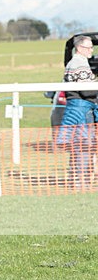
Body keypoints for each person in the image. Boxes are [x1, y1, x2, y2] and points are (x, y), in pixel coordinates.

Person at [58, 35, 98, 187]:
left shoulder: (77, 62)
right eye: (89, 47)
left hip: (79, 108)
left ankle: (77, 179)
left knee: (79, 145)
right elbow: (86, 91)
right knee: (84, 145)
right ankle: (82, 182)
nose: (91, 50)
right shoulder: (78, 63)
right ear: (80, 48)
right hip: (82, 109)